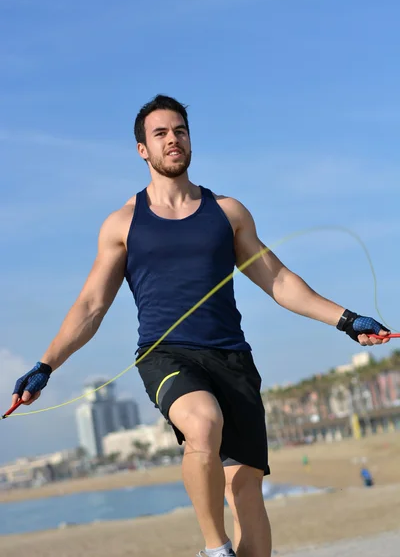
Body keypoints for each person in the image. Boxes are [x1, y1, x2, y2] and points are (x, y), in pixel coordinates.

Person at [9, 95, 391, 557]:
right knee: (202, 423)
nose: (173, 139)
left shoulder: (227, 213)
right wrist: (46, 365)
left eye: (180, 131)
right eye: (161, 134)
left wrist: (348, 321)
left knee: (244, 488)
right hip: (165, 355)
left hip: (232, 358)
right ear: (142, 150)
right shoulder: (123, 224)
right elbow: (91, 305)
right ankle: (214, 548)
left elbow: (282, 282)